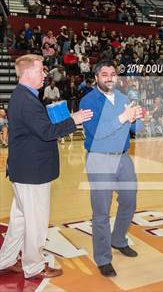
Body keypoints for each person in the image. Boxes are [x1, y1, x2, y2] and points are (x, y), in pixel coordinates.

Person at [0, 54, 92, 279]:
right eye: (41, 70)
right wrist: (75, 120)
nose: (45, 74)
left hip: (25, 170)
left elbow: (38, 127)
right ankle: (33, 266)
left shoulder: (24, 96)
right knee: (36, 222)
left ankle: (6, 260)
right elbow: (47, 132)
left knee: (21, 219)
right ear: (28, 72)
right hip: (32, 173)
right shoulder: (26, 100)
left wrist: (58, 117)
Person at [79, 60, 144, 277]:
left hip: (123, 158)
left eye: (113, 73)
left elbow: (135, 128)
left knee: (129, 201)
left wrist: (138, 118)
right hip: (99, 159)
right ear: (96, 77)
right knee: (101, 212)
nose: (109, 77)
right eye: (104, 74)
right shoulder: (88, 101)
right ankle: (103, 258)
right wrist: (123, 117)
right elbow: (97, 132)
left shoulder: (124, 98)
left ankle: (118, 240)